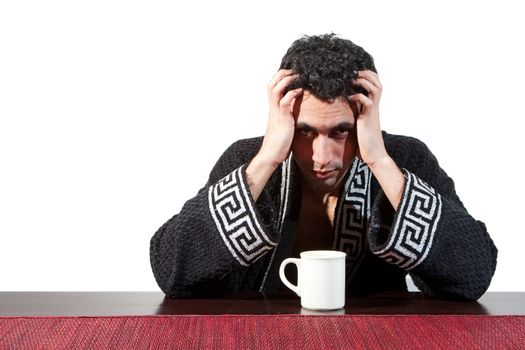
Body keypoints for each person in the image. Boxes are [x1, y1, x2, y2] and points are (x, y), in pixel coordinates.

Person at [149, 33, 497, 300]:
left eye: (341, 131)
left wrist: (379, 160)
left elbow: (475, 273)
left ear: (365, 118)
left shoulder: (403, 160)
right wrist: (268, 156)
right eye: (305, 131)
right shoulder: (249, 161)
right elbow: (172, 271)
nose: (322, 156)